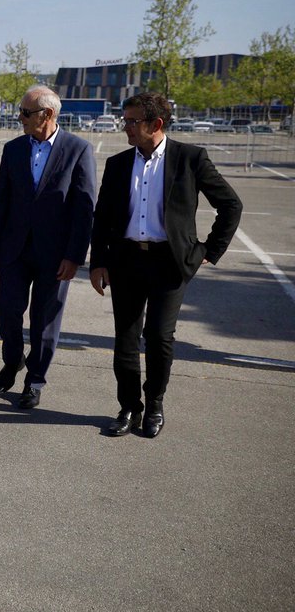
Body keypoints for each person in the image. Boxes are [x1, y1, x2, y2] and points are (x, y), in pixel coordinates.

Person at [89, 92, 241, 438]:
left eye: (132, 121)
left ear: (156, 123)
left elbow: (231, 205)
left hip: (169, 263)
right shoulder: (117, 164)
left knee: (159, 337)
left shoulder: (190, 158)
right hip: (126, 260)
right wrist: (98, 262)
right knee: (126, 339)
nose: (125, 127)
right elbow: (103, 218)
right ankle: (129, 407)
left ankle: (155, 404)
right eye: (125, 120)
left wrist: (207, 251)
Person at [0, 85, 97, 409]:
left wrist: (75, 256)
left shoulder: (78, 150)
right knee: (8, 310)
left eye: (25, 112)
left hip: (56, 254)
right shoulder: (13, 149)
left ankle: (34, 381)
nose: (19, 117)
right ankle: (12, 360)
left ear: (47, 114)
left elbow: (85, 208)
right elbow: (0, 200)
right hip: (14, 249)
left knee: (45, 321)